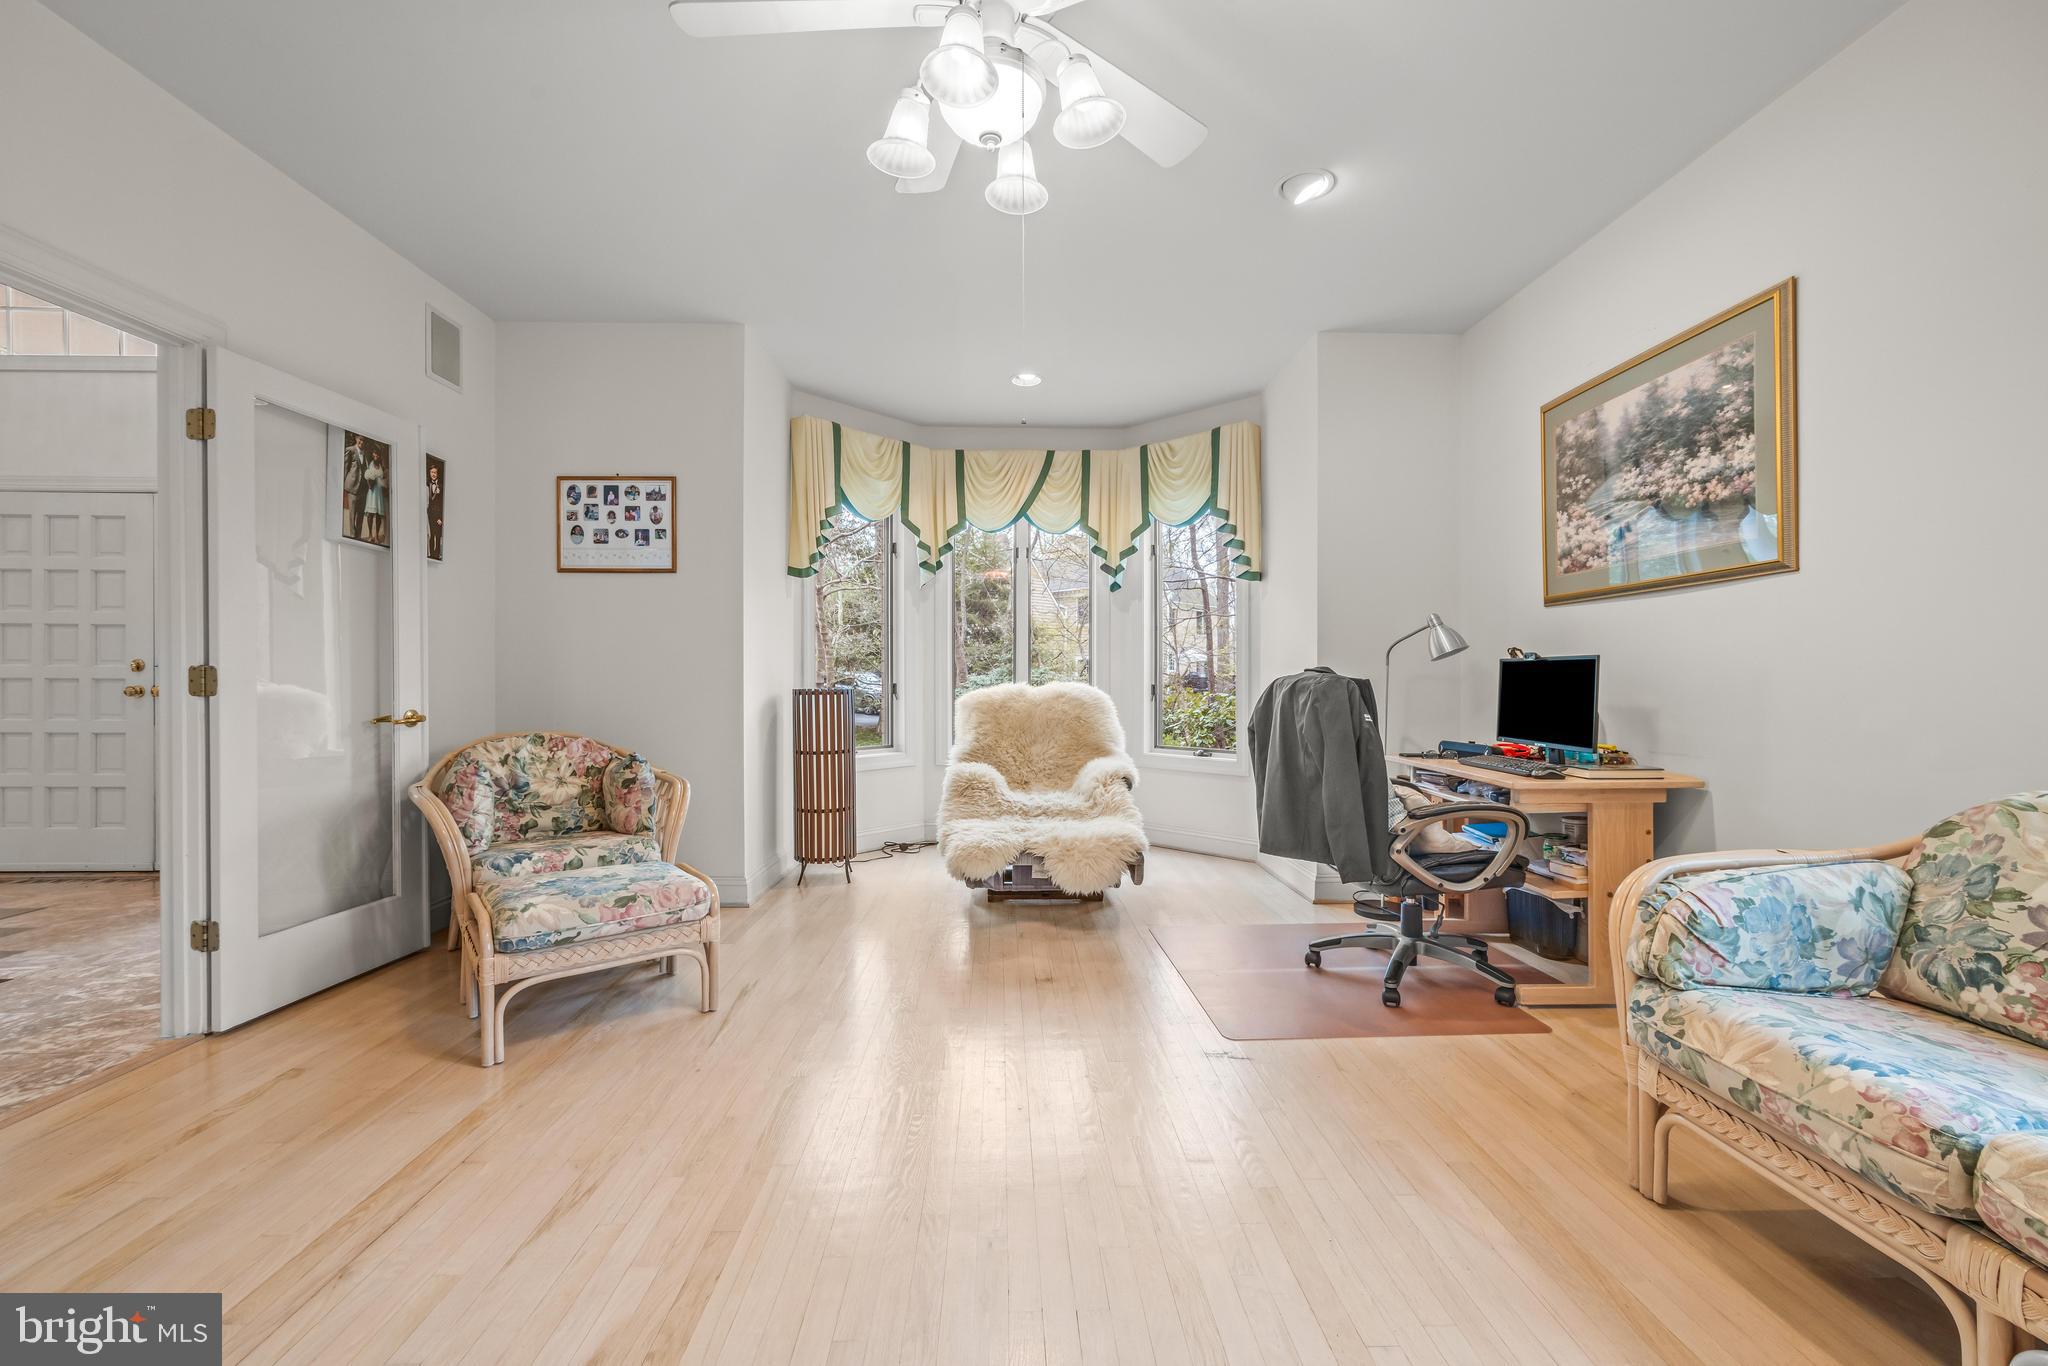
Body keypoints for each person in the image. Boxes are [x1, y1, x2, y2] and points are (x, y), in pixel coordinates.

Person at [360, 444, 387, 546]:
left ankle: (376, 535)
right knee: (371, 514)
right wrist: (369, 485)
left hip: (379, 492)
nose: (376, 456)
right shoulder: (370, 465)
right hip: (372, 491)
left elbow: (383, 478)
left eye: (377, 454)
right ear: (372, 454)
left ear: (379, 456)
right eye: (374, 454)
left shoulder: (381, 466)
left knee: (379, 515)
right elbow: (367, 477)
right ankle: (370, 534)